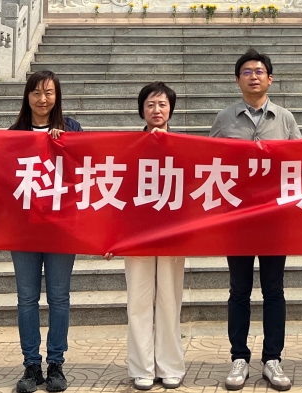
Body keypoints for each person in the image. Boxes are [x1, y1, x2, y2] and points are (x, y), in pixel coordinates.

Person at [208, 49, 301, 392]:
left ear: (270, 79)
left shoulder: (285, 119)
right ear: (237, 80)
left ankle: (272, 359)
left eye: (259, 71)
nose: (253, 76)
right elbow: (207, 161)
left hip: (275, 220)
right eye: (246, 72)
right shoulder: (225, 119)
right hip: (238, 219)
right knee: (239, 290)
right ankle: (239, 358)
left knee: (274, 290)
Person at [10, 70, 82, 393]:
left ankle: (55, 363)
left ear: (57, 96)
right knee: (26, 298)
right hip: (24, 229)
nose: (42, 99)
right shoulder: (14, 134)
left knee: (59, 297)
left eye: (49, 93)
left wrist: (66, 145)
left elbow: (85, 169)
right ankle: (30, 365)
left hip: (61, 229)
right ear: (27, 96)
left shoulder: (72, 129)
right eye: (36, 93)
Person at [122, 82, 186, 391]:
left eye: (162, 104)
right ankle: (142, 367)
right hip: (137, 234)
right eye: (150, 104)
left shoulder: (185, 146)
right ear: (142, 110)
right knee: (138, 301)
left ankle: (170, 365)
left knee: (169, 300)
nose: (156, 110)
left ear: (170, 109)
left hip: (173, 233)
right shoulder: (129, 147)